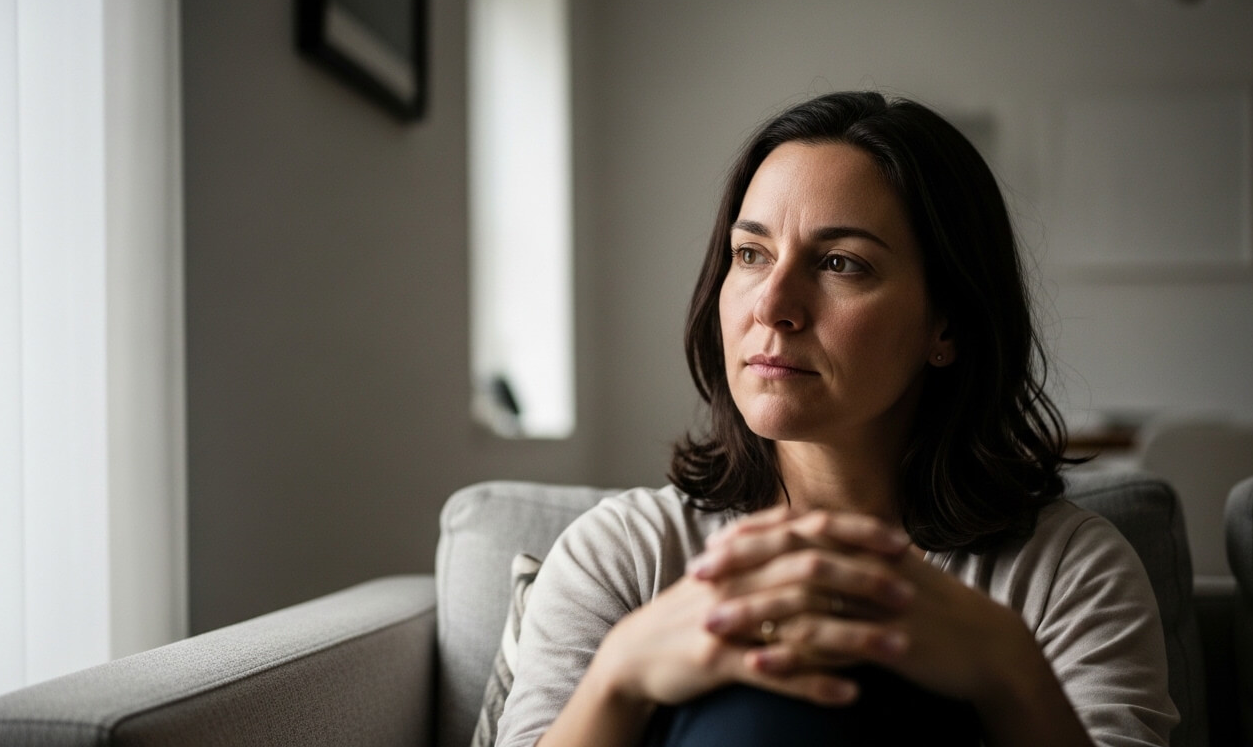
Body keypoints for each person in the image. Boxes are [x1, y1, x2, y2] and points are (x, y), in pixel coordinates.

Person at [494, 92, 1178, 747]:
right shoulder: (625, 554)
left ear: (947, 324)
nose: (772, 305)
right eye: (751, 254)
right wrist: (619, 678)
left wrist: (1010, 675)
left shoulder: (1068, 570)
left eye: (841, 263)